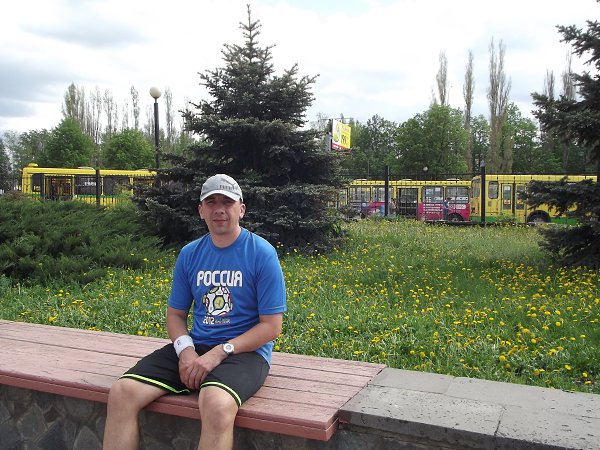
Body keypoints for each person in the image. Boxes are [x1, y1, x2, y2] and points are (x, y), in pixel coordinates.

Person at [103, 174, 287, 450]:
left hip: (245, 353)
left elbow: (271, 327)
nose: (219, 209)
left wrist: (219, 352)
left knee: (215, 403)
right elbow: (175, 315)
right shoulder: (190, 254)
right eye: (211, 202)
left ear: (241, 209)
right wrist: (186, 352)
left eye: (227, 202)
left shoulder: (262, 253)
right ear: (201, 211)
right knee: (122, 392)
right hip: (198, 346)